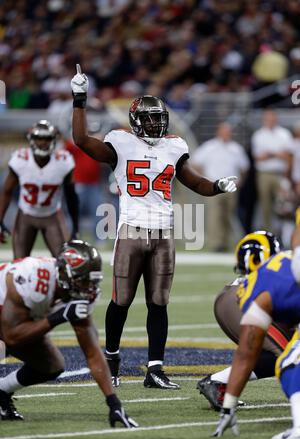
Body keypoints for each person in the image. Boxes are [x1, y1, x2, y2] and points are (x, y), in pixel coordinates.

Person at [71, 64, 238, 390]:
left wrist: (217, 185)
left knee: (159, 303)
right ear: (135, 121)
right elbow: (80, 140)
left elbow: (194, 182)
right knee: (121, 300)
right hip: (131, 231)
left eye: (159, 118)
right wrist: (79, 98)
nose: (155, 123)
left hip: (163, 234)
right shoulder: (119, 142)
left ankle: (155, 369)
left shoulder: (174, 146)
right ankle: (111, 359)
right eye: (149, 119)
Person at [0, 239, 137, 428]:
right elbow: (11, 336)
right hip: (7, 322)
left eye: (92, 281)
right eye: (83, 280)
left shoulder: (79, 293)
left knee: (51, 364)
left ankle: (2, 391)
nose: (88, 288)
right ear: (64, 273)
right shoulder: (32, 278)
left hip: (15, 322)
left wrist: (113, 403)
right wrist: (56, 318)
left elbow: (92, 353)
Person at [197, 230, 294, 411]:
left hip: (235, 296)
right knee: (290, 354)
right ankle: (218, 381)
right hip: (244, 299)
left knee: (284, 350)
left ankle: (219, 382)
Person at [212, 248, 300, 439]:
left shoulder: (265, 291)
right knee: (289, 361)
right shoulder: (267, 289)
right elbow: (246, 353)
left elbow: (246, 353)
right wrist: (228, 407)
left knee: (291, 360)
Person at [0, 120, 79, 257]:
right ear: (32, 140)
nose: (43, 142)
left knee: (63, 263)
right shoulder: (20, 160)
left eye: (47, 138)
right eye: (39, 138)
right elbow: (6, 192)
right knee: (20, 264)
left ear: (53, 140)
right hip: (26, 215)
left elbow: (71, 196)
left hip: (52, 215)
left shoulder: (63, 162)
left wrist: (75, 226)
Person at [192, 122, 249, 252]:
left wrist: (240, 181)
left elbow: (245, 168)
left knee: (228, 215)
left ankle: (225, 241)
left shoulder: (236, 148)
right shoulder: (209, 147)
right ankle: (216, 243)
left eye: (228, 132)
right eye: (224, 131)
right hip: (214, 185)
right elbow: (195, 163)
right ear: (219, 132)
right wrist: (204, 179)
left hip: (230, 186)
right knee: (215, 214)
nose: (227, 134)